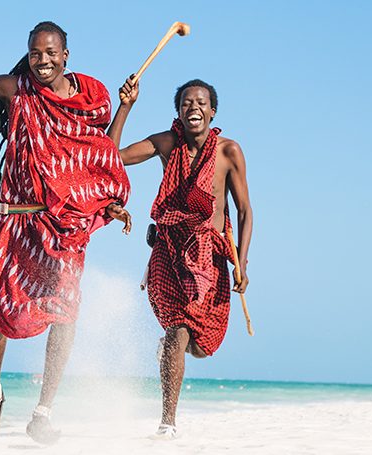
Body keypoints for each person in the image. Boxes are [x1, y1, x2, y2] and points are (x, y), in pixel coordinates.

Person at [0, 13, 132, 444]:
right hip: (15, 218)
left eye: (51, 53)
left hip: (64, 225)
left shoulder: (91, 98)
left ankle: (43, 411)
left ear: (66, 56)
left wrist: (109, 198)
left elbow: (99, 154)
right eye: (35, 53)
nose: (42, 60)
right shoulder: (14, 89)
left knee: (66, 312)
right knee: (0, 315)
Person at [107, 76, 254, 439]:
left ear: (212, 111)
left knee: (201, 346)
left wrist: (243, 262)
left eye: (201, 103)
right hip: (167, 252)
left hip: (208, 258)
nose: (194, 108)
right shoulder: (166, 144)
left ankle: (173, 349)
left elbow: (245, 210)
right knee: (178, 330)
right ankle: (167, 423)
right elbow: (110, 157)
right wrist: (125, 106)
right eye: (187, 103)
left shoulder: (228, 152)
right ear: (178, 111)